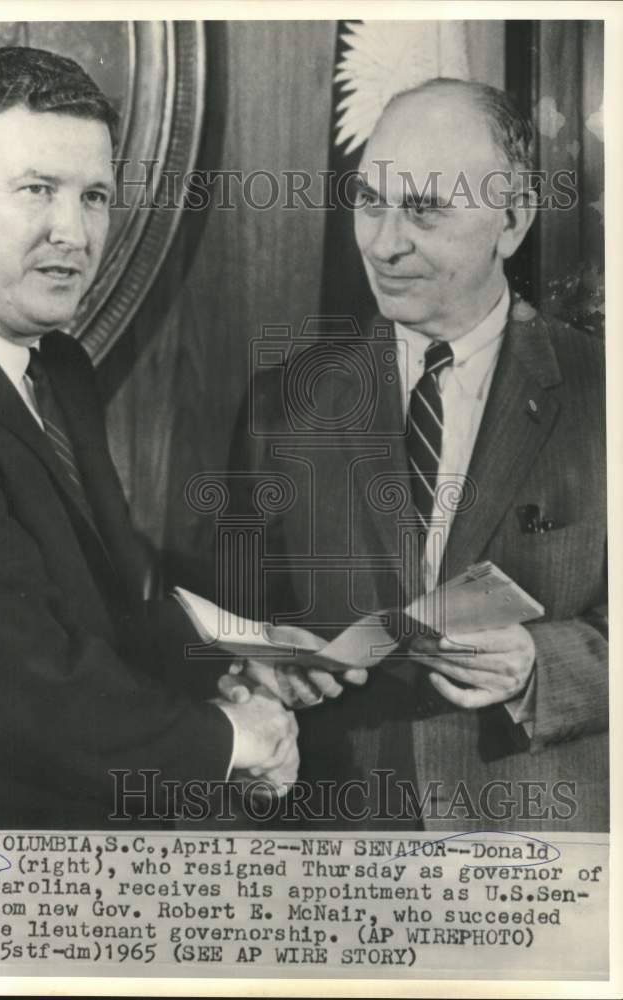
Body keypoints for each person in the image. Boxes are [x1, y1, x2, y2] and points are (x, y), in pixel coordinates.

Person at [0, 45, 299, 829]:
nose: (73, 233)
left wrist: (229, 659)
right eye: (38, 191)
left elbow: (97, 600)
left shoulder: (59, 365)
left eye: (94, 197)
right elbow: (8, 685)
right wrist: (228, 739)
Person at [229, 78, 607, 831]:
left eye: (425, 210)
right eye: (371, 203)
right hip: (340, 839)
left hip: (547, 857)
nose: (384, 242)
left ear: (512, 219)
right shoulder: (284, 403)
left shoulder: (606, 392)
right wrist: (259, 663)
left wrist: (543, 665)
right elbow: (224, 624)